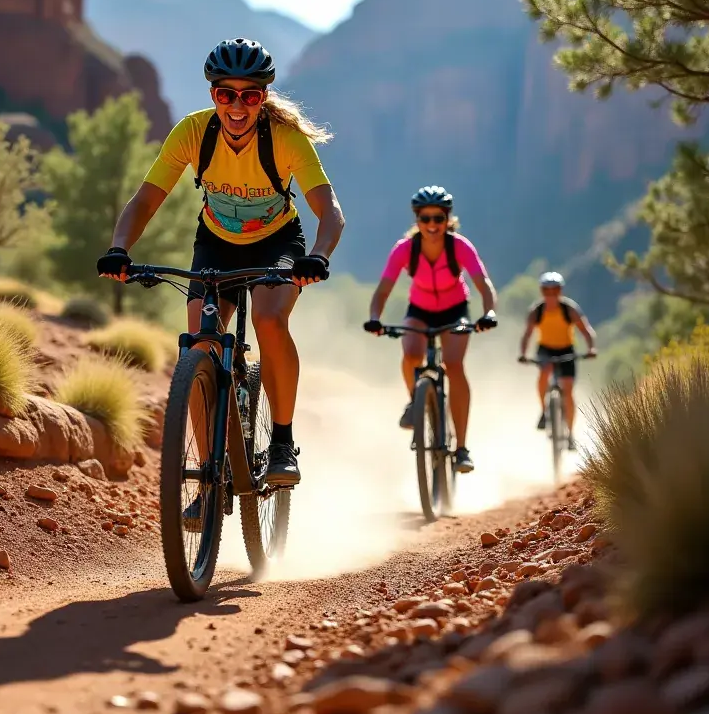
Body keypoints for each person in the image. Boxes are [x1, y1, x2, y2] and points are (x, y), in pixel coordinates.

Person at [96, 37, 345, 489]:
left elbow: (331, 212)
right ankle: (208, 476)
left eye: (249, 95)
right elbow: (147, 199)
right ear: (213, 95)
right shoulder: (193, 132)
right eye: (225, 94)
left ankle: (283, 443)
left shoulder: (284, 138)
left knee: (270, 321)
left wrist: (318, 257)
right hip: (215, 242)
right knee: (200, 347)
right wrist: (119, 248)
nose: (237, 105)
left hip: (277, 243)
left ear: (262, 98)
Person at [362, 186, 497, 473]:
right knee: (411, 355)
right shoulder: (404, 249)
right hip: (420, 310)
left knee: (454, 364)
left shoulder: (459, 246)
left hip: (454, 309)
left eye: (439, 218)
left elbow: (483, 284)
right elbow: (383, 289)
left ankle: (461, 448)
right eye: (426, 219)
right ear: (417, 220)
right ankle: (416, 401)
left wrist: (489, 312)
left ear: (448, 219)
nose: (433, 225)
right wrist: (375, 316)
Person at [518, 271, 596, 450]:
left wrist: (591, 348)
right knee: (544, 373)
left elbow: (586, 330)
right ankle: (544, 411)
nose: (551, 294)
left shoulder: (569, 309)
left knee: (567, 389)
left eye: (555, 290)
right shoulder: (536, 311)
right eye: (547, 290)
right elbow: (527, 335)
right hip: (545, 349)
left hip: (566, 349)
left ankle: (570, 433)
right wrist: (523, 353)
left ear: (560, 291)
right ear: (542, 291)